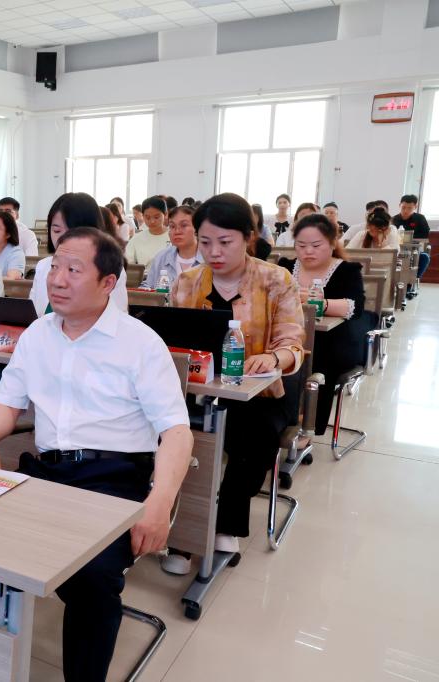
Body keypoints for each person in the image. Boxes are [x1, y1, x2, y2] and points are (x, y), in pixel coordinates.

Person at [0, 227, 193, 681]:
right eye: (54, 267)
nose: (57, 279)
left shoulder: (139, 343)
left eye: (74, 270)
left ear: (108, 283)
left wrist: (160, 502)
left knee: (91, 577)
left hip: (113, 479)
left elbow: (176, 431)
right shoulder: (37, 334)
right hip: (45, 474)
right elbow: (7, 405)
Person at [167, 193, 304, 570]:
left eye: (225, 242)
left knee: (255, 438)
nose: (214, 252)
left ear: (248, 237)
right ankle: (181, 532)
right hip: (197, 390)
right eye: (205, 242)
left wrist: (273, 357)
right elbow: (172, 340)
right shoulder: (187, 283)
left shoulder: (276, 280)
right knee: (175, 434)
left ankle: (225, 523)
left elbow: (293, 342)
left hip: (260, 394)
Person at [277, 214, 373, 435]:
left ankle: (309, 427)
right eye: (301, 245)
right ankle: (281, 420)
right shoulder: (285, 267)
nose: (308, 251)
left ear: (331, 244)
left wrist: (319, 302)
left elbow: (354, 307)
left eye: (316, 245)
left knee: (318, 356)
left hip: (335, 340)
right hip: (291, 334)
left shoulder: (347, 270)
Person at [29, 193, 128, 315]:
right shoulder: (43, 266)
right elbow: (33, 315)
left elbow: (117, 317)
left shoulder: (108, 269)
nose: (63, 238)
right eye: (57, 230)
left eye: (73, 232)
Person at [141, 205, 203, 288]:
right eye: (172, 226)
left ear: (197, 228)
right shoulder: (162, 257)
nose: (177, 231)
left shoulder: (209, 259)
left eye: (184, 225)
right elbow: (148, 286)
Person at [124, 196, 171, 271]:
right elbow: (128, 265)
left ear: (165, 214)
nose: (152, 221)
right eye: (148, 217)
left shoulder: (173, 236)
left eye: (156, 217)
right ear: (143, 216)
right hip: (144, 277)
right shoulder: (137, 239)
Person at [392, 194, 431, 280]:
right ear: (399, 205)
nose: (406, 211)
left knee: (425, 257)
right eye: (403, 207)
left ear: (415, 207)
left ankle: (413, 279)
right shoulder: (393, 220)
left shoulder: (420, 218)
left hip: (414, 249)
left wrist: (409, 239)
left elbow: (425, 235)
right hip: (397, 250)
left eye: (410, 208)